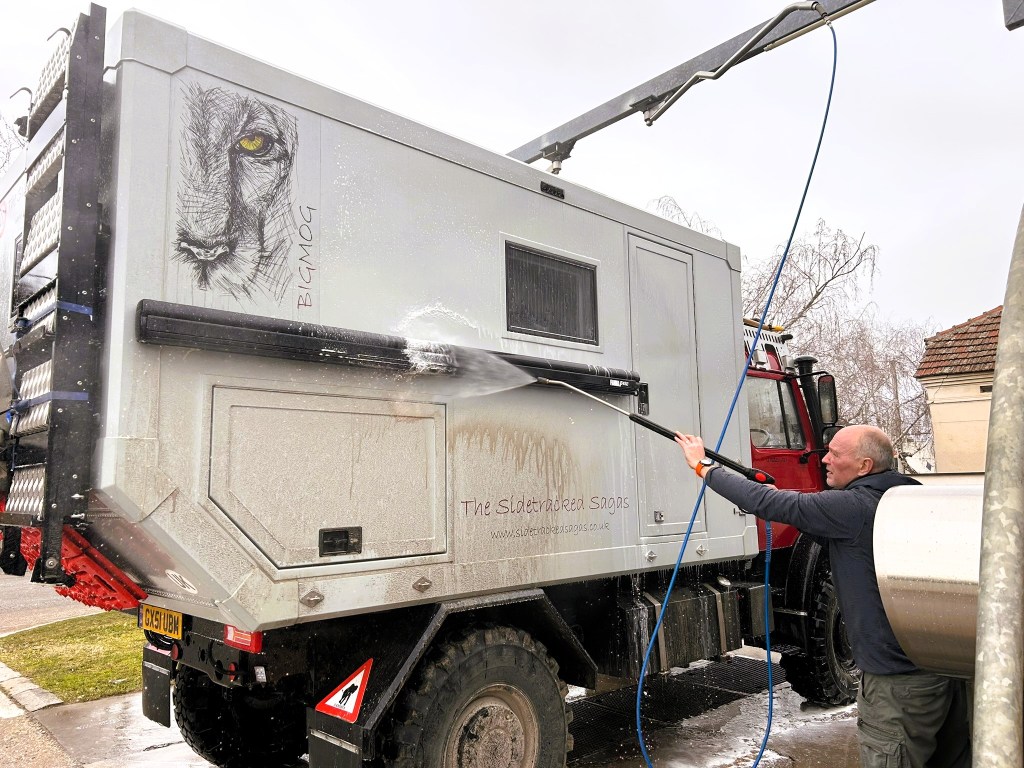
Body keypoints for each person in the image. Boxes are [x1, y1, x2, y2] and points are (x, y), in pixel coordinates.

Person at [675, 425, 971, 768]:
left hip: (896, 683)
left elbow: (766, 503)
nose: (825, 459)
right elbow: (840, 531)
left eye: (835, 454)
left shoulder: (854, 506)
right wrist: (788, 503)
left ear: (863, 466)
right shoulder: (906, 496)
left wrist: (703, 467)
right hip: (941, 668)